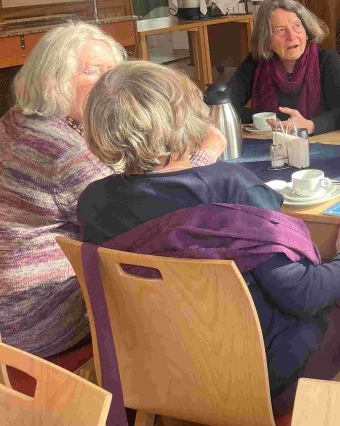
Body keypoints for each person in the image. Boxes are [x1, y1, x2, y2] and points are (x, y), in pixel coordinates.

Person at [77, 61, 340, 410]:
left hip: (157, 370)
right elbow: (305, 294)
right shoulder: (232, 189)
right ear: (184, 117)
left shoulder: (94, 203)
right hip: (253, 378)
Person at [0, 23, 223, 358]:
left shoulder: (16, 121)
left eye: (112, 70)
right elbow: (150, 215)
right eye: (92, 71)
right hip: (38, 314)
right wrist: (205, 153)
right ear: (52, 80)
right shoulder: (64, 152)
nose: (109, 81)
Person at [227, 0, 340, 134]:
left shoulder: (326, 59)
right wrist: (268, 119)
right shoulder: (257, 62)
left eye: (296, 26)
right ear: (266, 39)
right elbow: (226, 105)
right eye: (280, 30)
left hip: (318, 141)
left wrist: (309, 126)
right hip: (268, 141)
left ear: (306, 30)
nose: (292, 36)